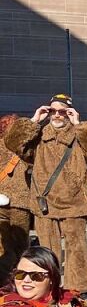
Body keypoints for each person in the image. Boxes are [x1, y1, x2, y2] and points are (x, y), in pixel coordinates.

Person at [4, 96, 87, 297]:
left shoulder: (79, 136)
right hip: (44, 203)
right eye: (53, 111)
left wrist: (79, 123)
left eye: (63, 111)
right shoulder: (39, 136)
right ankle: (48, 287)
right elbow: (12, 143)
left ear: (70, 113)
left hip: (73, 202)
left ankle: (80, 289)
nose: (57, 115)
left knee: (76, 248)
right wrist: (34, 120)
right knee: (46, 249)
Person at [0, 114, 32, 284]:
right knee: (20, 242)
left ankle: (5, 278)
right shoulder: (23, 147)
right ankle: (20, 276)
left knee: (4, 244)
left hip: (2, 200)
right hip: (20, 201)